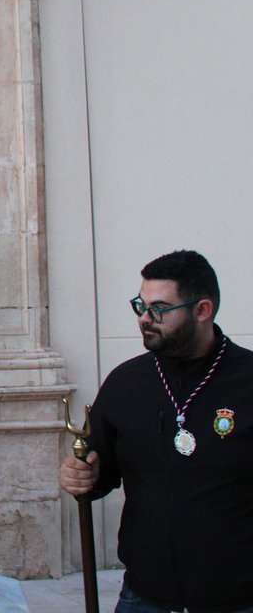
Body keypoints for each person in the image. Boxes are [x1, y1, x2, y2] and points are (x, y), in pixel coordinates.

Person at [60, 250, 253, 612]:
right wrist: (82, 476)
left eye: (160, 309)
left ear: (202, 310)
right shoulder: (126, 383)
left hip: (237, 597)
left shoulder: (248, 381)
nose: (145, 319)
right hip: (144, 596)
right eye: (141, 305)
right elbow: (100, 472)